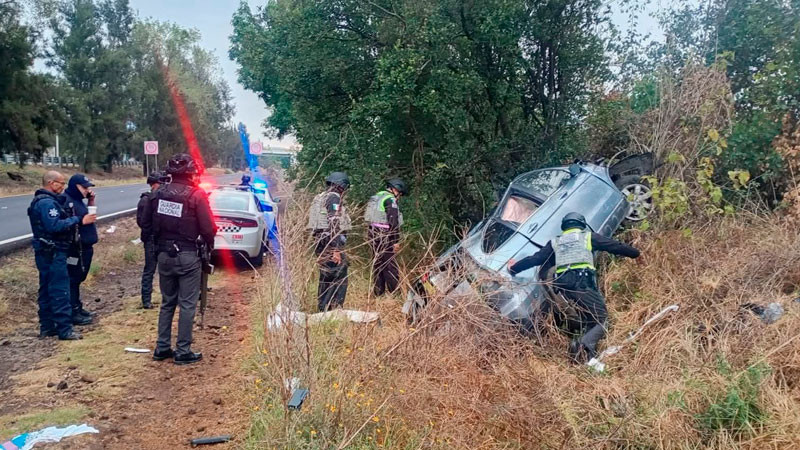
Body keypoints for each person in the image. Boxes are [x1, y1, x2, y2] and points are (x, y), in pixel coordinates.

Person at [507, 212, 640, 363]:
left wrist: (514, 268)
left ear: (564, 226)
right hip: (582, 284)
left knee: (589, 320)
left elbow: (535, 259)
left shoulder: (555, 242)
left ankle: (582, 359)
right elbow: (615, 246)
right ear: (581, 224)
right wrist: (636, 254)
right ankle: (582, 345)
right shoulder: (588, 237)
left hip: (563, 289)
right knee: (602, 321)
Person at [141, 153, 217, 365]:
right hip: (187, 255)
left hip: (163, 255)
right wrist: (209, 245)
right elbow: (208, 228)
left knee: (167, 302)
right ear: (192, 173)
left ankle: (162, 347)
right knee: (187, 304)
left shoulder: (157, 194)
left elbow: (145, 224)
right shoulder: (196, 195)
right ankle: (183, 350)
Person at [28, 171, 96, 340]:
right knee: (60, 290)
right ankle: (64, 329)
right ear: (51, 183)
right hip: (53, 251)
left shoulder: (47, 201)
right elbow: (55, 226)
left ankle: (48, 326)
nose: (63, 187)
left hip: (46, 251)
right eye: (61, 183)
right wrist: (77, 220)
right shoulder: (46, 204)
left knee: (46, 289)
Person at [307, 172, 352, 311]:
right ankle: (333, 309)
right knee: (339, 275)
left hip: (320, 242)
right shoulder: (334, 198)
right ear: (342, 186)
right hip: (329, 244)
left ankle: (323, 308)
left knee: (326, 275)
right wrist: (336, 249)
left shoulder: (321, 197)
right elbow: (334, 223)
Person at [62, 174, 98, 325]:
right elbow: (65, 224)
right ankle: (72, 311)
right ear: (74, 186)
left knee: (78, 279)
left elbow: (88, 216)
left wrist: (90, 200)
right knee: (73, 279)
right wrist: (82, 222)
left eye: (88, 187)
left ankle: (77, 307)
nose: (86, 190)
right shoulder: (67, 201)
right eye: (84, 187)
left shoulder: (79, 201)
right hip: (75, 249)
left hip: (85, 247)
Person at [364, 178, 408, 297]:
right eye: (400, 194)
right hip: (385, 235)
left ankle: (378, 293)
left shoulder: (377, 197)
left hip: (373, 233)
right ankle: (396, 293)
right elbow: (393, 222)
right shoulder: (390, 199)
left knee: (378, 264)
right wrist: (395, 241)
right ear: (396, 189)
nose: (399, 197)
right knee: (390, 265)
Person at [137, 171, 169, 309]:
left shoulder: (159, 198)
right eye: (161, 183)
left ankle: (164, 297)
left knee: (164, 270)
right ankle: (146, 300)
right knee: (150, 270)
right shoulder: (146, 200)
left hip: (160, 239)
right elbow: (142, 222)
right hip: (151, 240)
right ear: (155, 184)